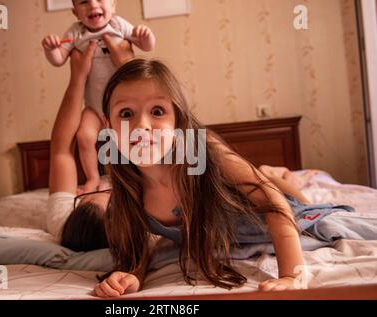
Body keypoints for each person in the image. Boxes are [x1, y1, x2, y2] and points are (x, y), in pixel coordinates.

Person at [91, 58, 311, 298]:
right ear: (108, 126)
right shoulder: (125, 183)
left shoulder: (204, 152)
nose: (141, 125)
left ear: (178, 118)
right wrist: (132, 275)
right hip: (229, 232)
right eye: (126, 113)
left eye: (157, 111)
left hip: (276, 215)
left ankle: (272, 174)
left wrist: (292, 275)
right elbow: (138, 243)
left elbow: (274, 203)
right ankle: (269, 173)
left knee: (294, 199)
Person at [42, 0, 156, 194]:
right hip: (94, 108)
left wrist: (146, 36)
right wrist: (51, 49)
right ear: (75, 12)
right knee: (83, 136)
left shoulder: (119, 25)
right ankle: (93, 178)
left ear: (113, 5)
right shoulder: (75, 33)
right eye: (84, 2)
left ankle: (134, 177)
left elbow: (146, 46)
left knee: (130, 139)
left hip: (120, 107)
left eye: (100, 0)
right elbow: (59, 59)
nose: (92, 5)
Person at [47, 37, 133, 253]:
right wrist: (127, 68)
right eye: (111, 196)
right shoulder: (145, 214)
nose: (104, 188)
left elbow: (62, 151)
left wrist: (78, 77)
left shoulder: (62, 220)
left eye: (84, 196)